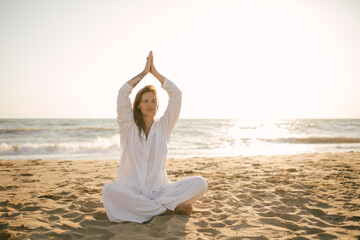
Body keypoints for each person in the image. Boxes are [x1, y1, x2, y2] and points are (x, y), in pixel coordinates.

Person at [102, 51, 207, 223]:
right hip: (131, 190)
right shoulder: (127, 125)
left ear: (158, 104)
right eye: (145, 101)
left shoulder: (164, 125)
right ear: (138, 105)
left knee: (200, 183)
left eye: (153, 101)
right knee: (109, 190)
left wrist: (155, 73)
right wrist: (144, 73)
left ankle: (150, 208)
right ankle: (165, 209)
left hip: (160, 190)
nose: (150, 104)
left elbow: (177, 94)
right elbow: (123, 93)